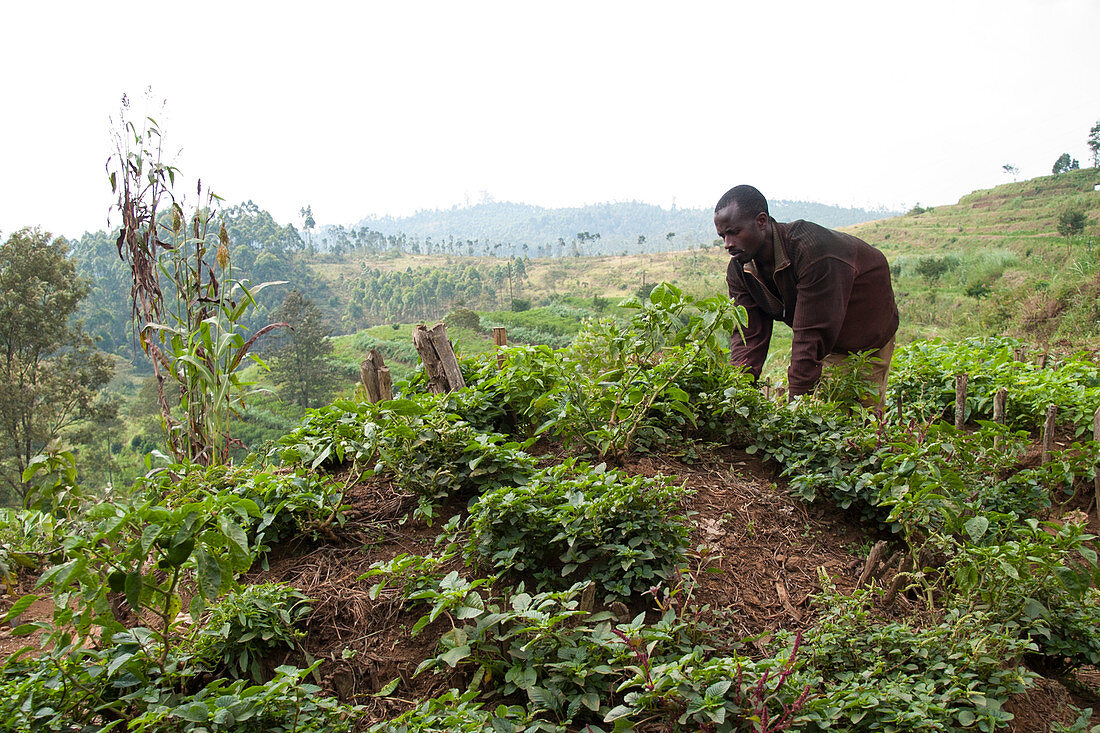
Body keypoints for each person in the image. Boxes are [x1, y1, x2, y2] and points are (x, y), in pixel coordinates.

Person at [714, 184, 898, 407]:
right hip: (826, 335)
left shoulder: (812, 252)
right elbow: (748, 334)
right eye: (723, 235)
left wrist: (795, 407)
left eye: (734, 232)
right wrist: (737, 394)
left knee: (857, 414)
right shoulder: (740, 268)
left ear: (762, 221)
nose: (728, 244)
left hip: (866, 332)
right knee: (824, 409)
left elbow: (810, 333)